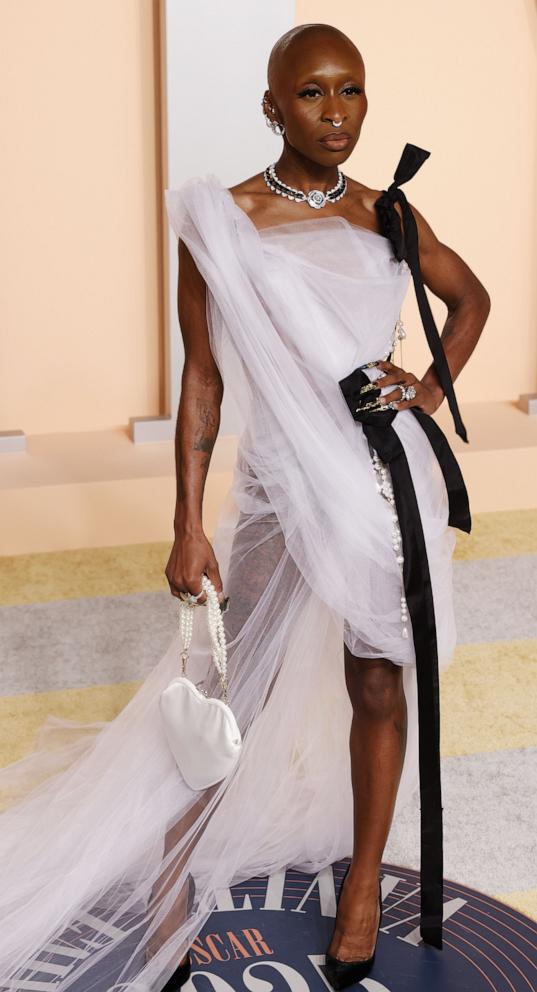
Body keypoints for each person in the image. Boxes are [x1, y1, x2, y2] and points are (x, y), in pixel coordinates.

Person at [0, 22, 490, 992]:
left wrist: (427, 391)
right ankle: (173, 884)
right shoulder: (224, 220)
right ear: (273, 106)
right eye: (312, 93)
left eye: (352, 90)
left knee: (379, 682)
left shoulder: (387, 210)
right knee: (230, 691)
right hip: (277, 485)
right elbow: (205, 378)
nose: (336, 112)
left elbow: (470, 297)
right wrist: (187, 523)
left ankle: (360, 893)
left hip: (386, 482)